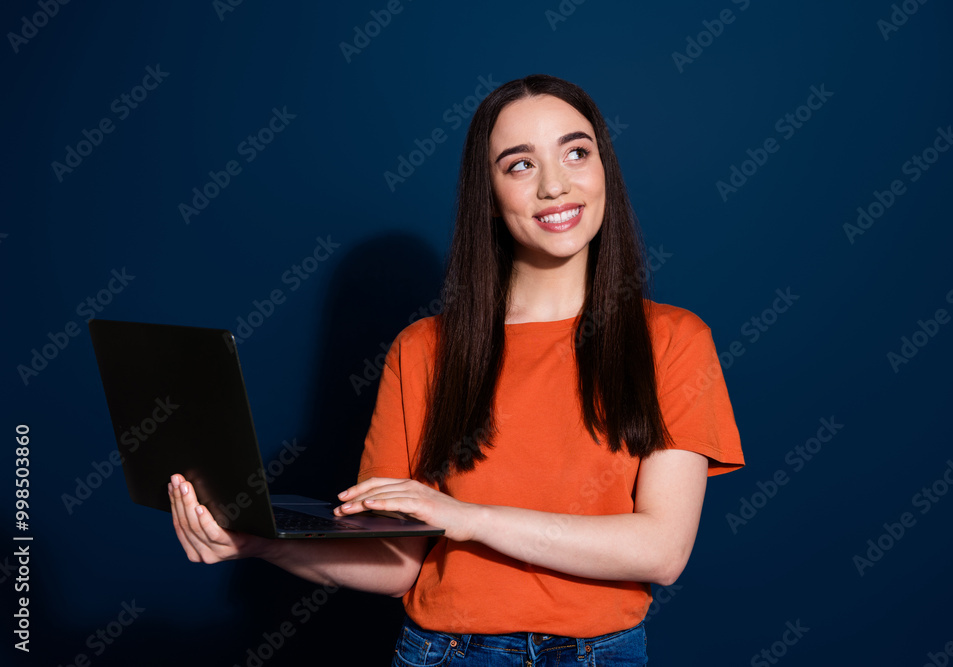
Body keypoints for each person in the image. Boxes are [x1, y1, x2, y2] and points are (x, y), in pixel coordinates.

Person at [169, 73, 744, 666]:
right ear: (489, 197)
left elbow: (660, 550)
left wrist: (468, 519)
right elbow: (398, 566)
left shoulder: (673, 340)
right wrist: (257, 542)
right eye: (519, 165)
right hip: (443, 653)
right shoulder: (423, 349)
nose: (555, 185)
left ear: (604, 170)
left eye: (576, 152)